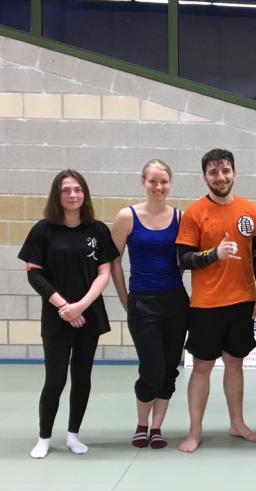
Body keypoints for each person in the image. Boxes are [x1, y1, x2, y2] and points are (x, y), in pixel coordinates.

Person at [19, 169, 119, 459]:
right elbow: (34, 274)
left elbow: (104, 274)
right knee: (55, 378)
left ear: (84, 193)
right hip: (56, 317)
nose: (73, 195)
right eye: (66, 190)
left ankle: (73, 434)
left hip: (88, 315)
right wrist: (64, 307)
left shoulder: (97, 230)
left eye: (78, 189)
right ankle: (44, 437)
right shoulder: (43, 230)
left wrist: (80, 306)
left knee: (82, 376)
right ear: (57, 195)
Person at [175, 148, 256, 453]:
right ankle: (195, 430)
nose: (220, 177)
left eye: (225, 171)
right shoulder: (194, 213)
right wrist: (215, 254)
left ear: (234, 173)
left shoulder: (250, 211)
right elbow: (183, 259)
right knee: (202, 366)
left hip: (241, 302)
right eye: (213, 172)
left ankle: (237, 423)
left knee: (235, 364)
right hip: (206, 305)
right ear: (205, 177)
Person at [111, 159, 189, 449]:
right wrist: (125, 298)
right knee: (151, 368)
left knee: (169, 368)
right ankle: (141, 424)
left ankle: (156, 427)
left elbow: (183, 260)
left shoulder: (180, 217)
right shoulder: (127, 217)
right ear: (142, 182)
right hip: (142, 301)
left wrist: (173, 283)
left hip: (175, 302)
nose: (158, 187)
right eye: (153, 181)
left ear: (170, 184)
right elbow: (114, 261)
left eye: (164, 181)